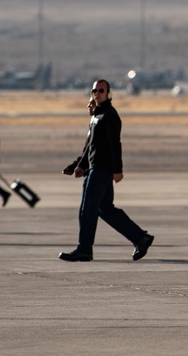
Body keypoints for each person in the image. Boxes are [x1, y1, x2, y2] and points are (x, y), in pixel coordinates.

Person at [58, 79, 154, 262]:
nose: (97, 93)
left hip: (102, 170)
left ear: (108, 93)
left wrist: (118, 170)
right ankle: (140, 238)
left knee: (87, 209)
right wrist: (77, 165)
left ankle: (84, 249)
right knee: (105, 209)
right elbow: (89, 147)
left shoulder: (110, 115)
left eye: (101, 90)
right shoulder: (96, 116)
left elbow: (115, 145)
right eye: (95, 90)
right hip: (93, 168)